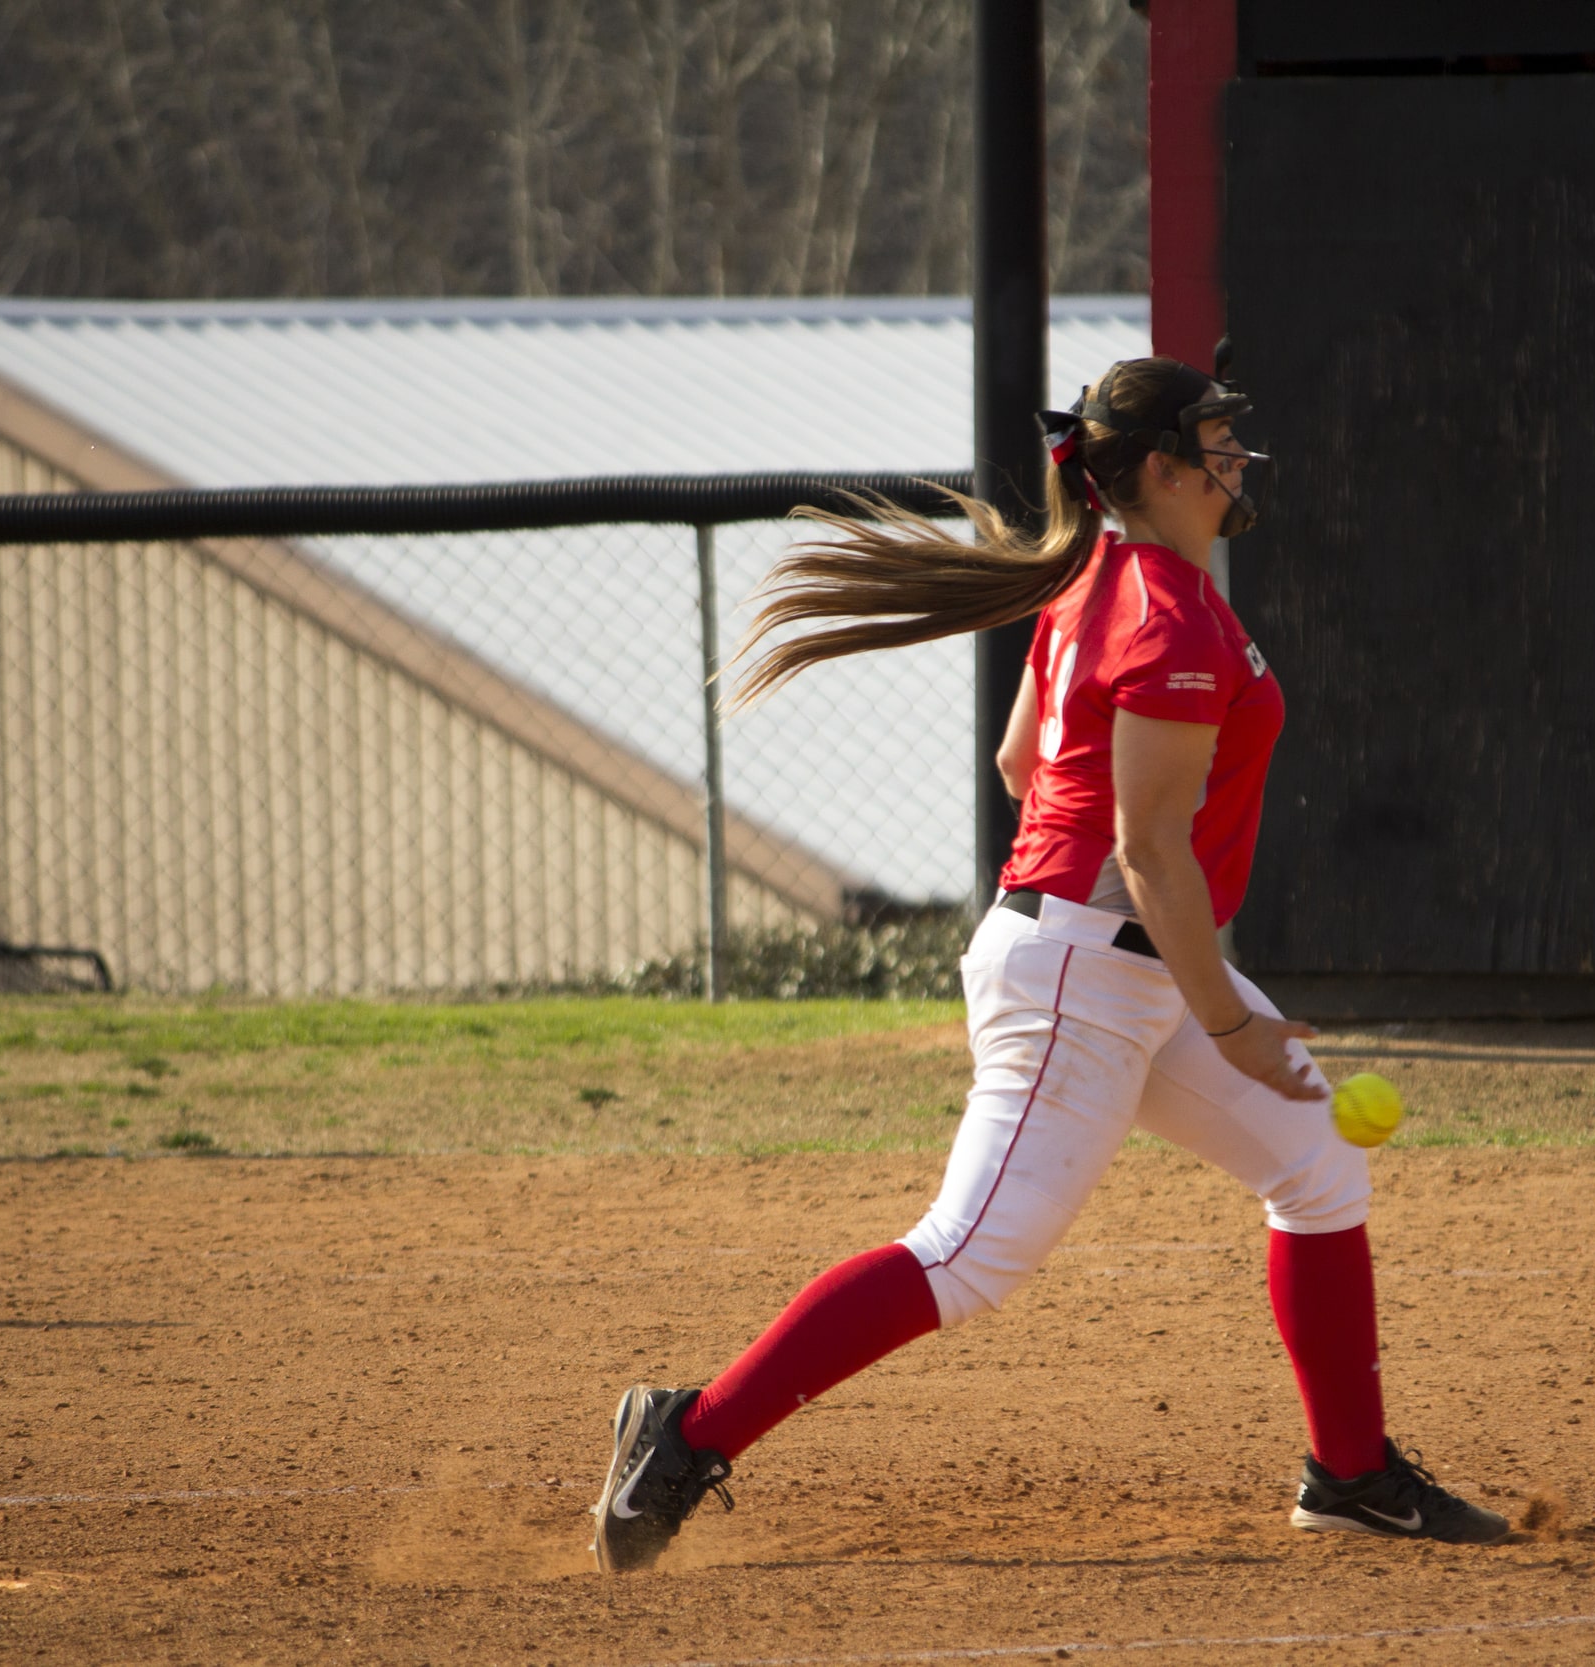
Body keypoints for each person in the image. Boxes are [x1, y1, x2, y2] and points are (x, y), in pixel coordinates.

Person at [591, 356, 1507, 1573]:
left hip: (1097, 952)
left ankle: (1351, 1474)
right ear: (1165, 469)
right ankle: (689, 1429)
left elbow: (1023, 764)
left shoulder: (1104, 577)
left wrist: (1148, 953)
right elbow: (1149, 849)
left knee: (1317, 1157)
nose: (1237, 457)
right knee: (966, 1255)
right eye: (1218, 440)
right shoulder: (1168, 613)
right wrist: (1228, 1021)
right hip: (1091, 963)